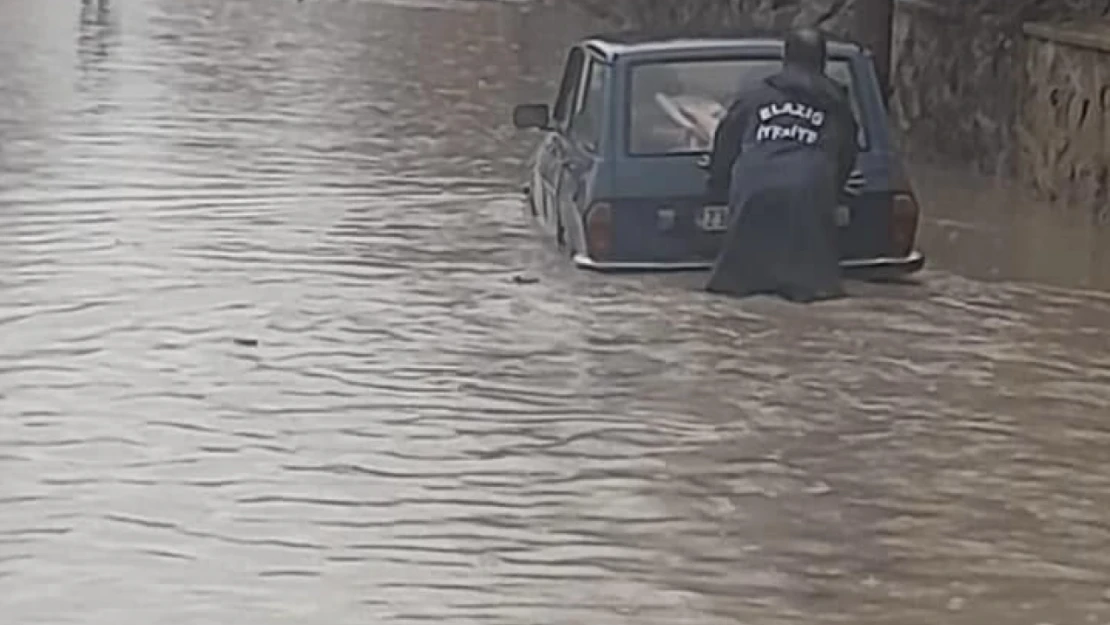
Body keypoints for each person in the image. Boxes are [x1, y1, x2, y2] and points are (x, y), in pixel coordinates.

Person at [703, 28, 860, 303]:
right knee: (815, 294)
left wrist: (716, 185)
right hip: (809, 193)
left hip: (754, 190)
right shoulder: (836, 103)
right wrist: (837, 191)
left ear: (785, 58)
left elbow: (726, 142)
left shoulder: (755, 97)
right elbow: (847, 153)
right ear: (822, 61)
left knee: (736, 289)